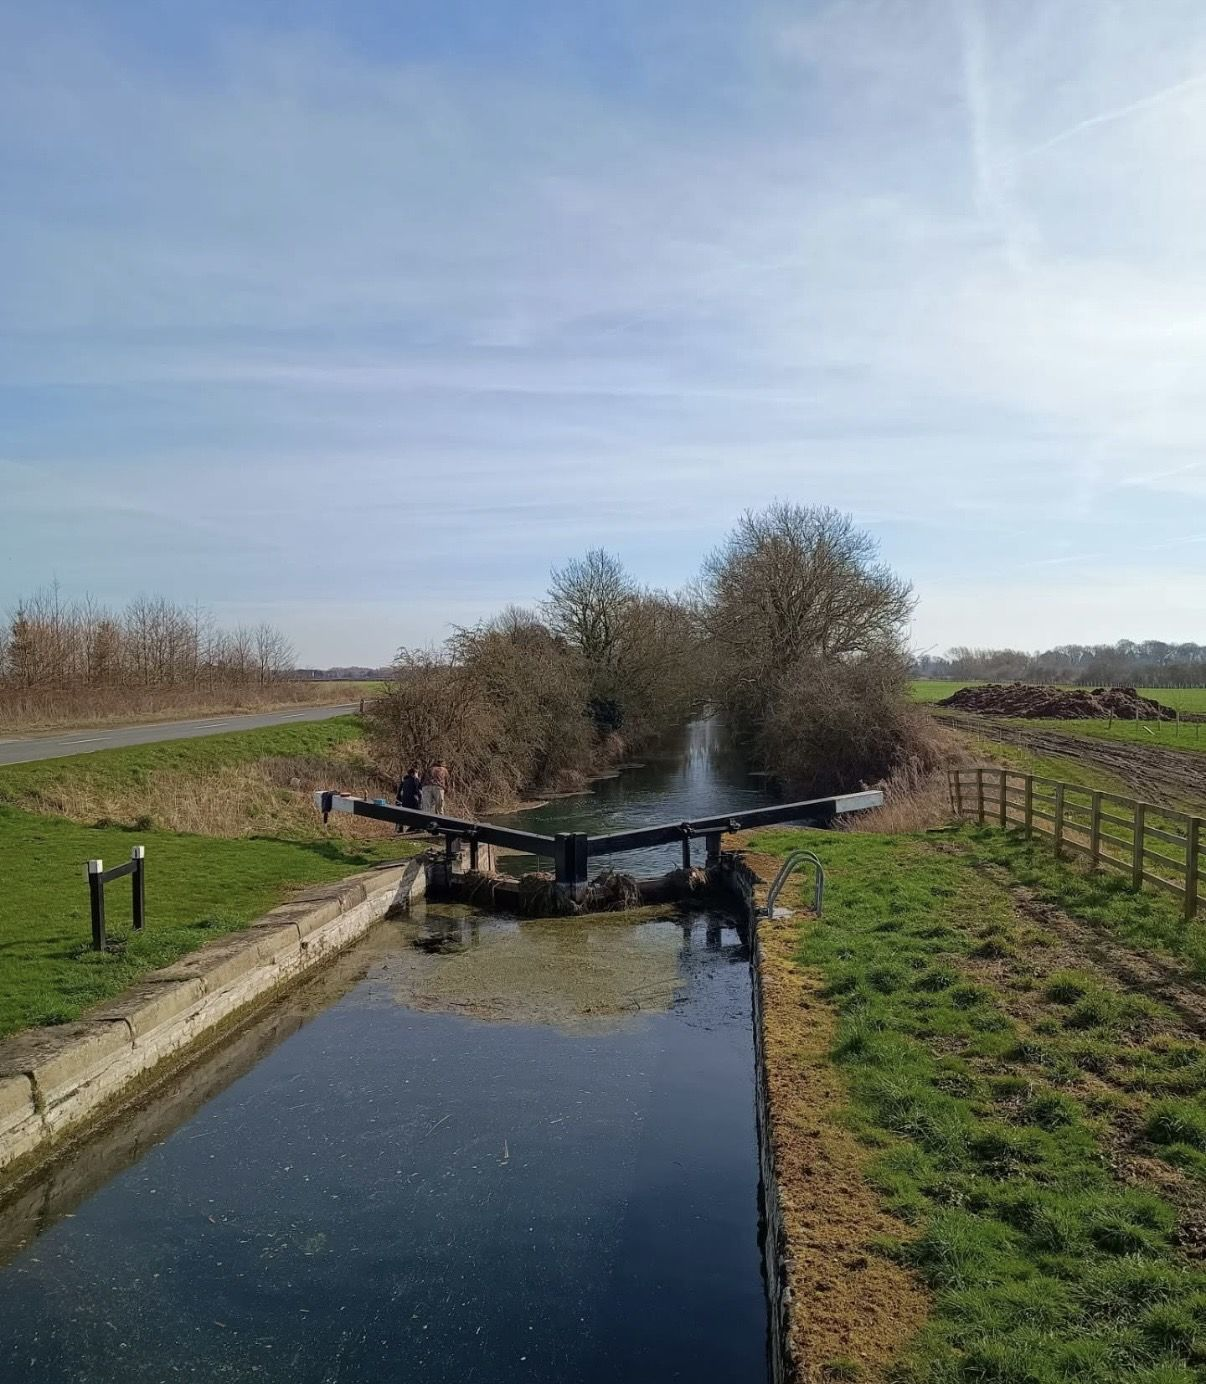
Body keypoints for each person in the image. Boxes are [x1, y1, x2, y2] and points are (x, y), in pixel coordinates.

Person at [396, 765, 422, 832]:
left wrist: (399, 801)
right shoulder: (415, 780)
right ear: (413, 774)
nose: (417, 774)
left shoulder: (404, 781)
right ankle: (416, 826)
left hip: (404, 801)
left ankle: (403, 827)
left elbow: (399, 793)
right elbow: (418, 791)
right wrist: (420, 798)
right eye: (417, 773)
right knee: (419, 809)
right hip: (413, 801)